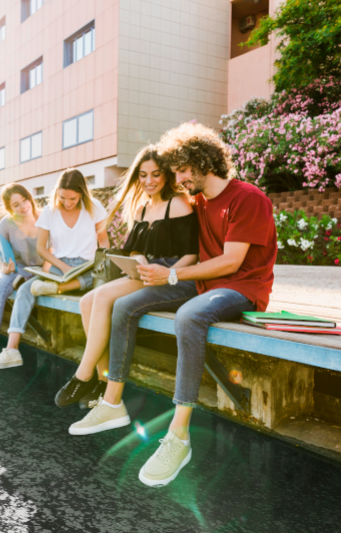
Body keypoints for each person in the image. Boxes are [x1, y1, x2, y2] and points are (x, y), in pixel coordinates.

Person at [67, 122, 278, 489]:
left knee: (188, 317)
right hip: (199, 283)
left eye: (182, 169)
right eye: (175, 170)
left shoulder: (248, 198)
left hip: (242, 288)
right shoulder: (197, 201)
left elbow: (231, 263)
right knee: (124, 306)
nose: (177, 177)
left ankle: (178, 436)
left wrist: (172, 276)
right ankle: (112, 400)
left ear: (203, 162)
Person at [54, 146, 199, 413]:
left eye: (155, 174)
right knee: (87, 301)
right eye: (143, 175)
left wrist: (168, 275)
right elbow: (135, 249)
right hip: (145, 271)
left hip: (171, 273)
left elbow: (192, 253)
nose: (149, 181)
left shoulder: (177, 204)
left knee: (103, 296)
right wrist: (138, 260)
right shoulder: (143, 209)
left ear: (166, 175)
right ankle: (99, 378)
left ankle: (82, 375)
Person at [0, 170, 109, 369]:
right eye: (63, 197)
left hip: (88, 264)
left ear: (82, 193)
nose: (67, 203)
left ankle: (60, 288)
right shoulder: (50, 211)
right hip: (61, 264)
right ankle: (12, 350)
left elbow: (104, 242)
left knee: (99, 278)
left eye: (73, 198)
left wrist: (103, 264)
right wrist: (62, 266)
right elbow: (42, 248)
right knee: (26, 289)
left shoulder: (94, 207)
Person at [0, 183, 45, 370]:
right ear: (9, 208)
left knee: (24, 290)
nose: (23, 206)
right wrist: (4, 269)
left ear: (30, 198)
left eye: (24, 200)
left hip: (44, 270)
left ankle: (12, 349)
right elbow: (0, 260)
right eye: (16, 205)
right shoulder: (6, 223)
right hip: (19, 269)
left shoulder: (46, 217)